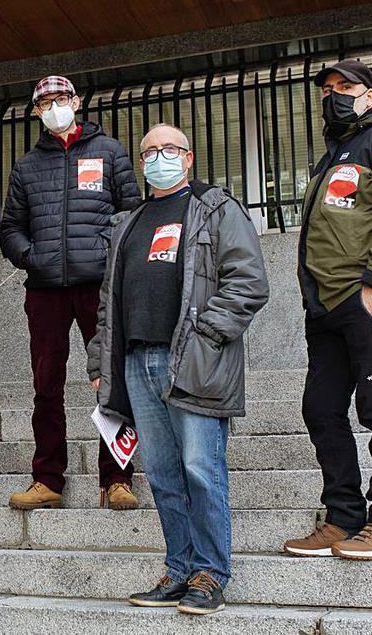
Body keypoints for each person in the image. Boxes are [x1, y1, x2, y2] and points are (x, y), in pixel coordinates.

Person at [88, 123, 269, 615]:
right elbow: (108, 301)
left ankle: (210, 572)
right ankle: (179, 567)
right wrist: (99, 363)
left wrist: (206, 337)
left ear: (188, 158)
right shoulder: (130, 221)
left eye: (168, 149)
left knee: (200, 468)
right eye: (148, 151)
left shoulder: (214, 209)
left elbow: (249, 281)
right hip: (135, 362)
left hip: (193, 360)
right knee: (164, 473)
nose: (157, 157)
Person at [284, 60, 372, 561]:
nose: (334, 95)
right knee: (321, 408)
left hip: (366, 298)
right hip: (325, 305)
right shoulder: (334, 153)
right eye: (327, 88)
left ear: (369, 94)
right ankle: (344, 516)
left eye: (345, 87)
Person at [0, 74, 142, 511]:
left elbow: (131, 214)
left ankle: (117, 478)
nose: (55, 106)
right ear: (36, 112)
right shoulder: (26, 166)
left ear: (77, 101)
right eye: (46, 102)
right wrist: (31, 256)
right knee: (47, 386)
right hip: (45, 289)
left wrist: (107, 254)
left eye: (61, 98)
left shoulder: (110, 151)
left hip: (99, 285)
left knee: (111, 381)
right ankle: (47, 479)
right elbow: (9, 227)